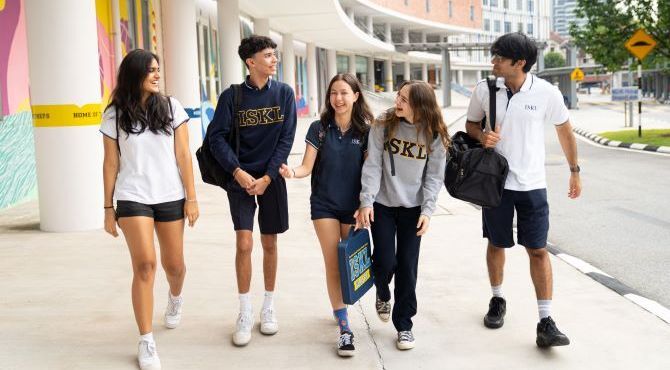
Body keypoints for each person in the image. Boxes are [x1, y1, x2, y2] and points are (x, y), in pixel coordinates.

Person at [464, 32, 581, 348]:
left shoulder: (546, 93)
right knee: (497, 243)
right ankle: (498, 299)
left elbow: (565, 131)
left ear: (519, 62)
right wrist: (483, 136)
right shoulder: (485, 90)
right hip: (495, 183)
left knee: (538, 249)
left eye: (499, 57)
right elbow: (471, 126)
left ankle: (546, 321)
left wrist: (574, 171)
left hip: (532, 185)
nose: (493, 61)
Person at [101, 49, 198, 370]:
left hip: (170, 194)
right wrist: (107, 206)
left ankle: (175, 297)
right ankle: (146, 340)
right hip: (132, 196)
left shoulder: (172, 107)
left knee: (176, 267)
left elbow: (184, 155)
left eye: (158, 69)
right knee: (145, 265)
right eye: (150, 70)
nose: (157, 75)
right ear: (134, 73)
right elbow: (111, 162)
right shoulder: (114, 114)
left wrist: (192, 197)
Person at [208, 35, 296, 346]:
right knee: (244, 243)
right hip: (240, 179)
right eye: (268, 56)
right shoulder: (232, 97)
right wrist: (238, 172)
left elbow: (287, 139)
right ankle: (244, 311)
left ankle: (268, 307)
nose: (274, 60)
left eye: (275, 55)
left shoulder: (284, 94)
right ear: (251, 62)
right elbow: (215, 138)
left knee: (269, 243)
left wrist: (269, 177)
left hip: (270, 179)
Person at [279, 73, 373, 357]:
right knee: (333, 262)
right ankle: (345, 327)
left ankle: (365, 302)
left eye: (344, 92)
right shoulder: (319, 128)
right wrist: (291, 172)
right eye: (334, 93)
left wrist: (365, 204)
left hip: (354, 206)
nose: (338, 98)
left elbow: (370, 174)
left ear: (356, 96)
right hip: (324, 205)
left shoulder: (367, 132)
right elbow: (306, 166)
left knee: (354, 264)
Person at [355, 80, 449, 350]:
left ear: (420, 105)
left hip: (414, 210)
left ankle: (404, 325)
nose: (397, 102)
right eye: (398, 96)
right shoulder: (383, 125)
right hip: (383, 204)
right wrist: (366, 201)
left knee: (407, 266)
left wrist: (428, 211)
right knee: (384, 261)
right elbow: (372, 166)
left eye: (404, 99)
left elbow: (434, 177)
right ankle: (382, 292)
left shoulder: (434, 134)